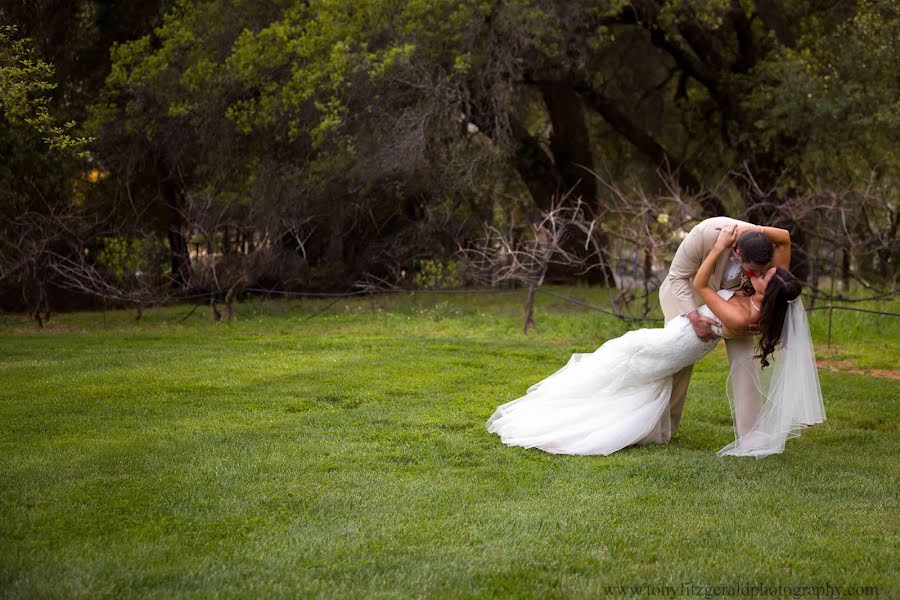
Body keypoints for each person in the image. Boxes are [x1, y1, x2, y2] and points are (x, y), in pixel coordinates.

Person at [486, 224, 826, 457]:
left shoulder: (742, 316)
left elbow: (702, 287)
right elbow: (782, 239)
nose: (758, 275)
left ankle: (573, 417)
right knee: (621, 362)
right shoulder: (755, 300)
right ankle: (629, 419)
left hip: (678, 342)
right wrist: (741, 234)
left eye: (765, 275)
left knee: (623, 360)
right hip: (679, 334)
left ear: (772, 291)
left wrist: (722, 245)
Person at [652, 217, 792, 444]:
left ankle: (753, 434)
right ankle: (663, 428)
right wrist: (693, 316)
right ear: (737, 252)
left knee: (745, 357)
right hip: (685, 294)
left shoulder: (762, 244)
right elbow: (677, 276)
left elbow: (784, 236)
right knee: (678, 359)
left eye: (761, 272)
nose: (756, 277)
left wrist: (754, 316)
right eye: (752, 271)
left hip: (729, 302)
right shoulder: (705, 234)